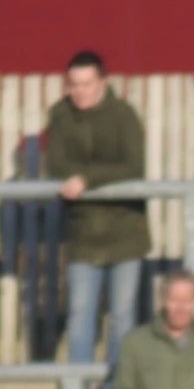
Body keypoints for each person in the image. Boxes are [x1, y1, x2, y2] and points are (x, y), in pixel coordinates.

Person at [48, 50, 150, 368]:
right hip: (83, 233)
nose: (79, 92)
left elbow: (133, 166)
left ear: (103, 82)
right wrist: (79, 178)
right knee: (80, 315)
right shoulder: (60, 116)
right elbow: (57, 164)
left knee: (122, 317)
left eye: (87, 84)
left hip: (125, 232)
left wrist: (87, 178)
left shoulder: (123, 115)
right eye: (73, 84)